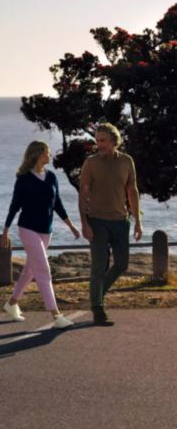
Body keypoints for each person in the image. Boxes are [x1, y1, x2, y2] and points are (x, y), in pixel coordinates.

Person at [1, 141, 80, 329]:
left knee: (30, 271)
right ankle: (56, 315)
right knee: (43, 270)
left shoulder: (52, 177)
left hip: (47, 230)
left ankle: (11, 304)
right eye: (47, 152)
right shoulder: (23, 178)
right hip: (28, 229)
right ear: (38, 154)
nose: (49, 155)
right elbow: (15, 205)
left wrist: (71, 225)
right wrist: (5, 230)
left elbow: (57, 203)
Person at [79, 122, 143, 326]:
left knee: (122, 264)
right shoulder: (90, 163)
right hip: (97, 221)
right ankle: (98, 309)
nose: (99, 145)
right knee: (99, 266)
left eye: (103, 141)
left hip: (120, 221)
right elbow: (83, 194)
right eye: (97, 141)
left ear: (114, 141)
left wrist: (138, 222)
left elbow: (132, 191)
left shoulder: (126, 161)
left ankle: (97, 293)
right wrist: (84, 223)